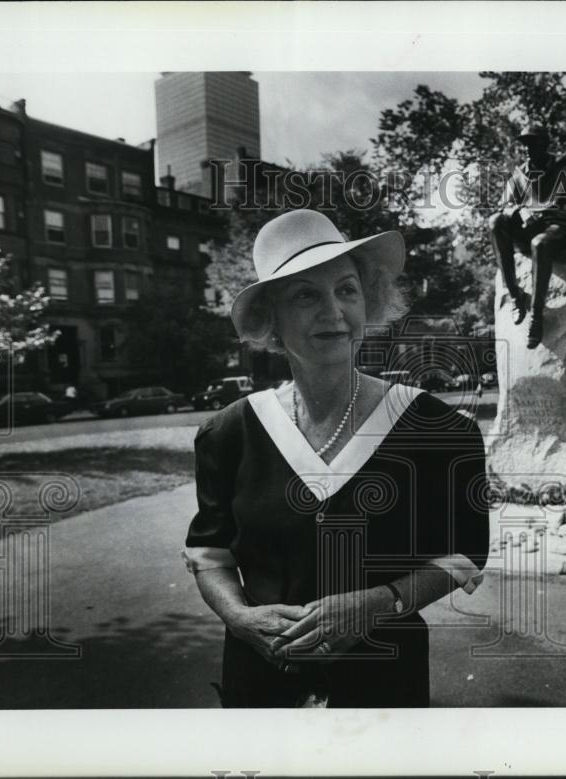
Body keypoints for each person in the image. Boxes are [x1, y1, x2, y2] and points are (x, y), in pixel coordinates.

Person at [182, 209, 490, 707]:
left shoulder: (438, 430)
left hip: (384, 691)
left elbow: (463, 554)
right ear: (271, 321)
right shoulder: (228, 433)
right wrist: (240, 619)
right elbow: (210, 556)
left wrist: (380, 603)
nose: (334, 311)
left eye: (346, 290)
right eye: (306, 295)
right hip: (260, 688)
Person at [489, 124, 566, 349]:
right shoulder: (519, 176)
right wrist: (520, 211)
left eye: (534, 144)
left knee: (540, 243)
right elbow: (504, 206)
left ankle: (537, 316)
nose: (528, 149)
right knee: (495, 222)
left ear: (545, 145)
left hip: (558, 227)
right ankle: (516, 296)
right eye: (525, 144)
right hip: (527, 226)